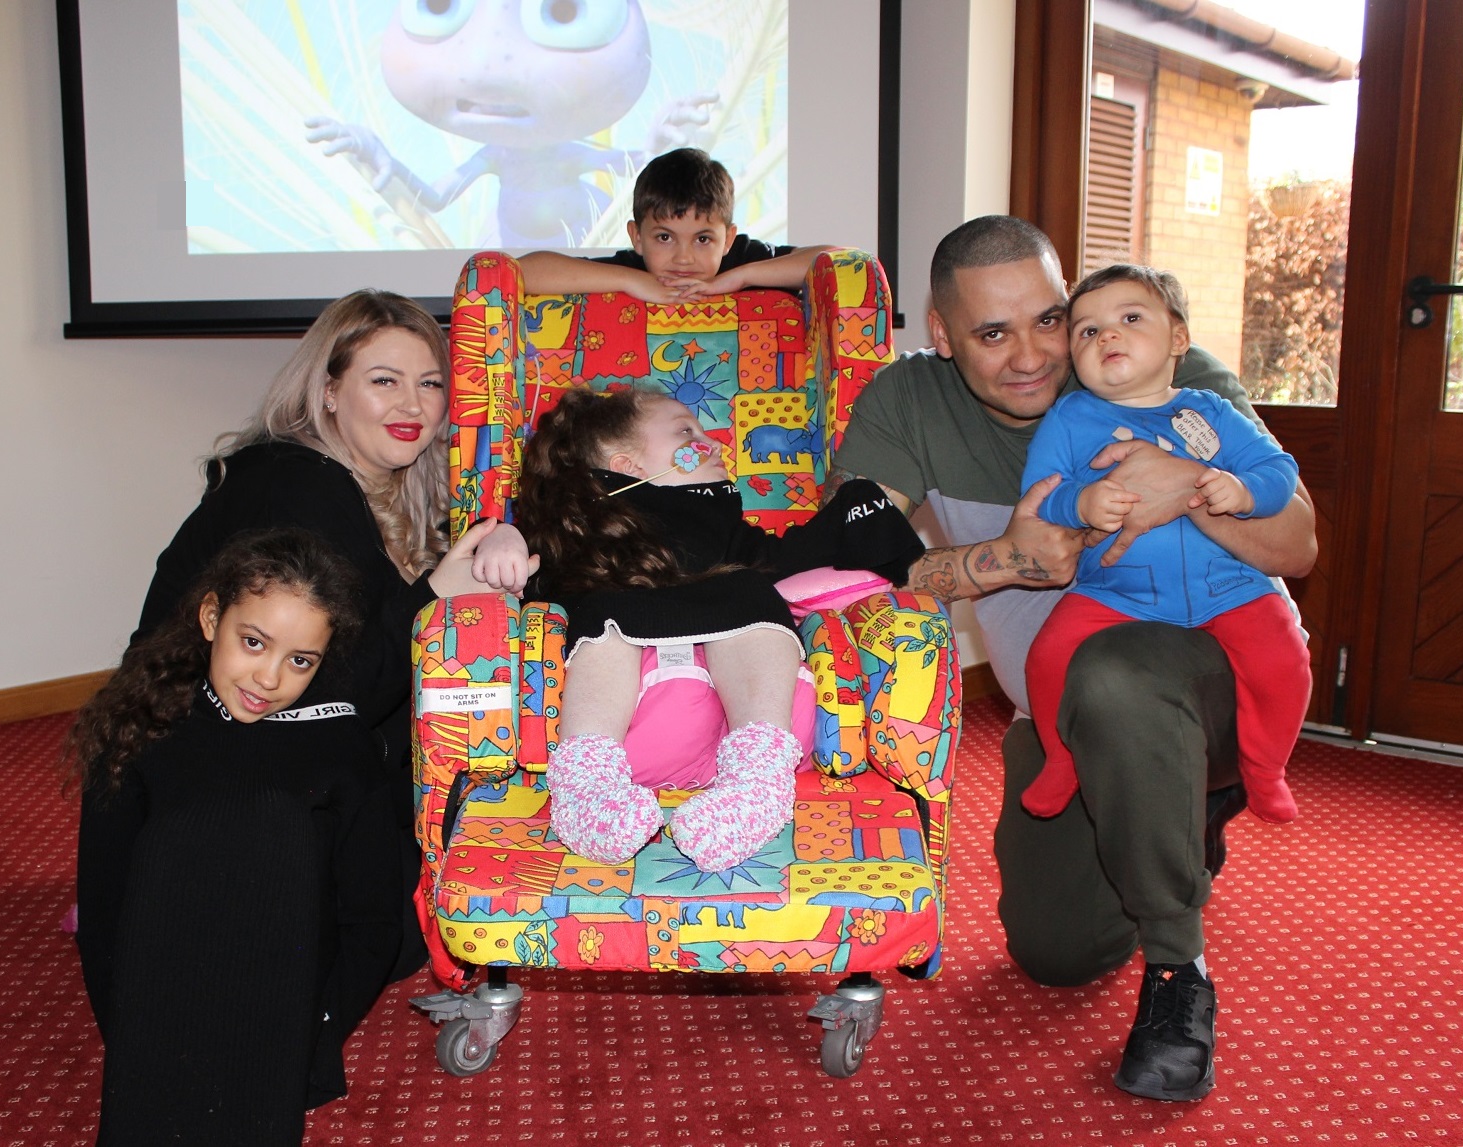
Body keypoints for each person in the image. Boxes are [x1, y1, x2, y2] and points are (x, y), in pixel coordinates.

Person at [831, 217, 1316, 1102]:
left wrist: (1188, 489)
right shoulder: (907, 401)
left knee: (1116, 670)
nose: (1034, 355)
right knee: (1055, 953)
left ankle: (1178, 972)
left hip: (1216, 681)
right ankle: (1174, 814)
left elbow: (1298, 546)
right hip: (1053, 714)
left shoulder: (1176, 377)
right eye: (990, 333)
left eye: (1050, 319)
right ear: (940, 337)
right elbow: (841, 554)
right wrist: (997, 560)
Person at [132, 289, 534, 985]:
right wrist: (436, 593)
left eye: (430, 383)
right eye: (384, 381)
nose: (413, 405)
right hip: (229, 773)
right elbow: (328, 691)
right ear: (326, 392)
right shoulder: (305, 491)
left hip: (232, 759)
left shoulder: (349, 481)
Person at [512, 387, 923, 873]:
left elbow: (790, 557)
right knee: (604, 616)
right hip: (616, 670)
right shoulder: (580, 529)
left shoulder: (721, 525)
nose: (712, 442)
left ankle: (756, 779)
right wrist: (500, 537)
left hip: (731, 649)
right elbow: (526, 571)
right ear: (628, 464)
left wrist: (860, 508)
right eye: (686, 431)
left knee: (750, 592)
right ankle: (587, 783)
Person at [72, 529, 395, 1144]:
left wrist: (318, 1025)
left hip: (280, 1016)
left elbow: (371, 914)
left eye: (300, 660)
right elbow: (105, 903)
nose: (269, 676)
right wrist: (128, 1026)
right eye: (253, 642)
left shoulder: (342, 749)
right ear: (211, 617)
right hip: (155, 1016)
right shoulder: (142, 728)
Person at [1021, 263, 1310, 827]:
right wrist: (1080, 504)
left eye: (1130, 318)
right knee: (1049, 655)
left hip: (1227, 587)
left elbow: (1277, 470)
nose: (1107, 335)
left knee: (1285, 658)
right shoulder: (1070, 417)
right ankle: (1061, 759)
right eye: (1087, 330)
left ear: (1178, 338)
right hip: (1119, 589)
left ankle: (1266, 767)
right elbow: (1040, 495)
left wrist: (1244, 490)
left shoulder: (1211, 412)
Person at [517, 147, 834, 303]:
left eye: (703, 239)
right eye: (665, 237)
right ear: (637, 237)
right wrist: (631, 282)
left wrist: (740, 278)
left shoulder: (743, 260)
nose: (684, 258)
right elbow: (521, 272)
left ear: (728, 239)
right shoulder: (632, 270)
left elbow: (840, 261)